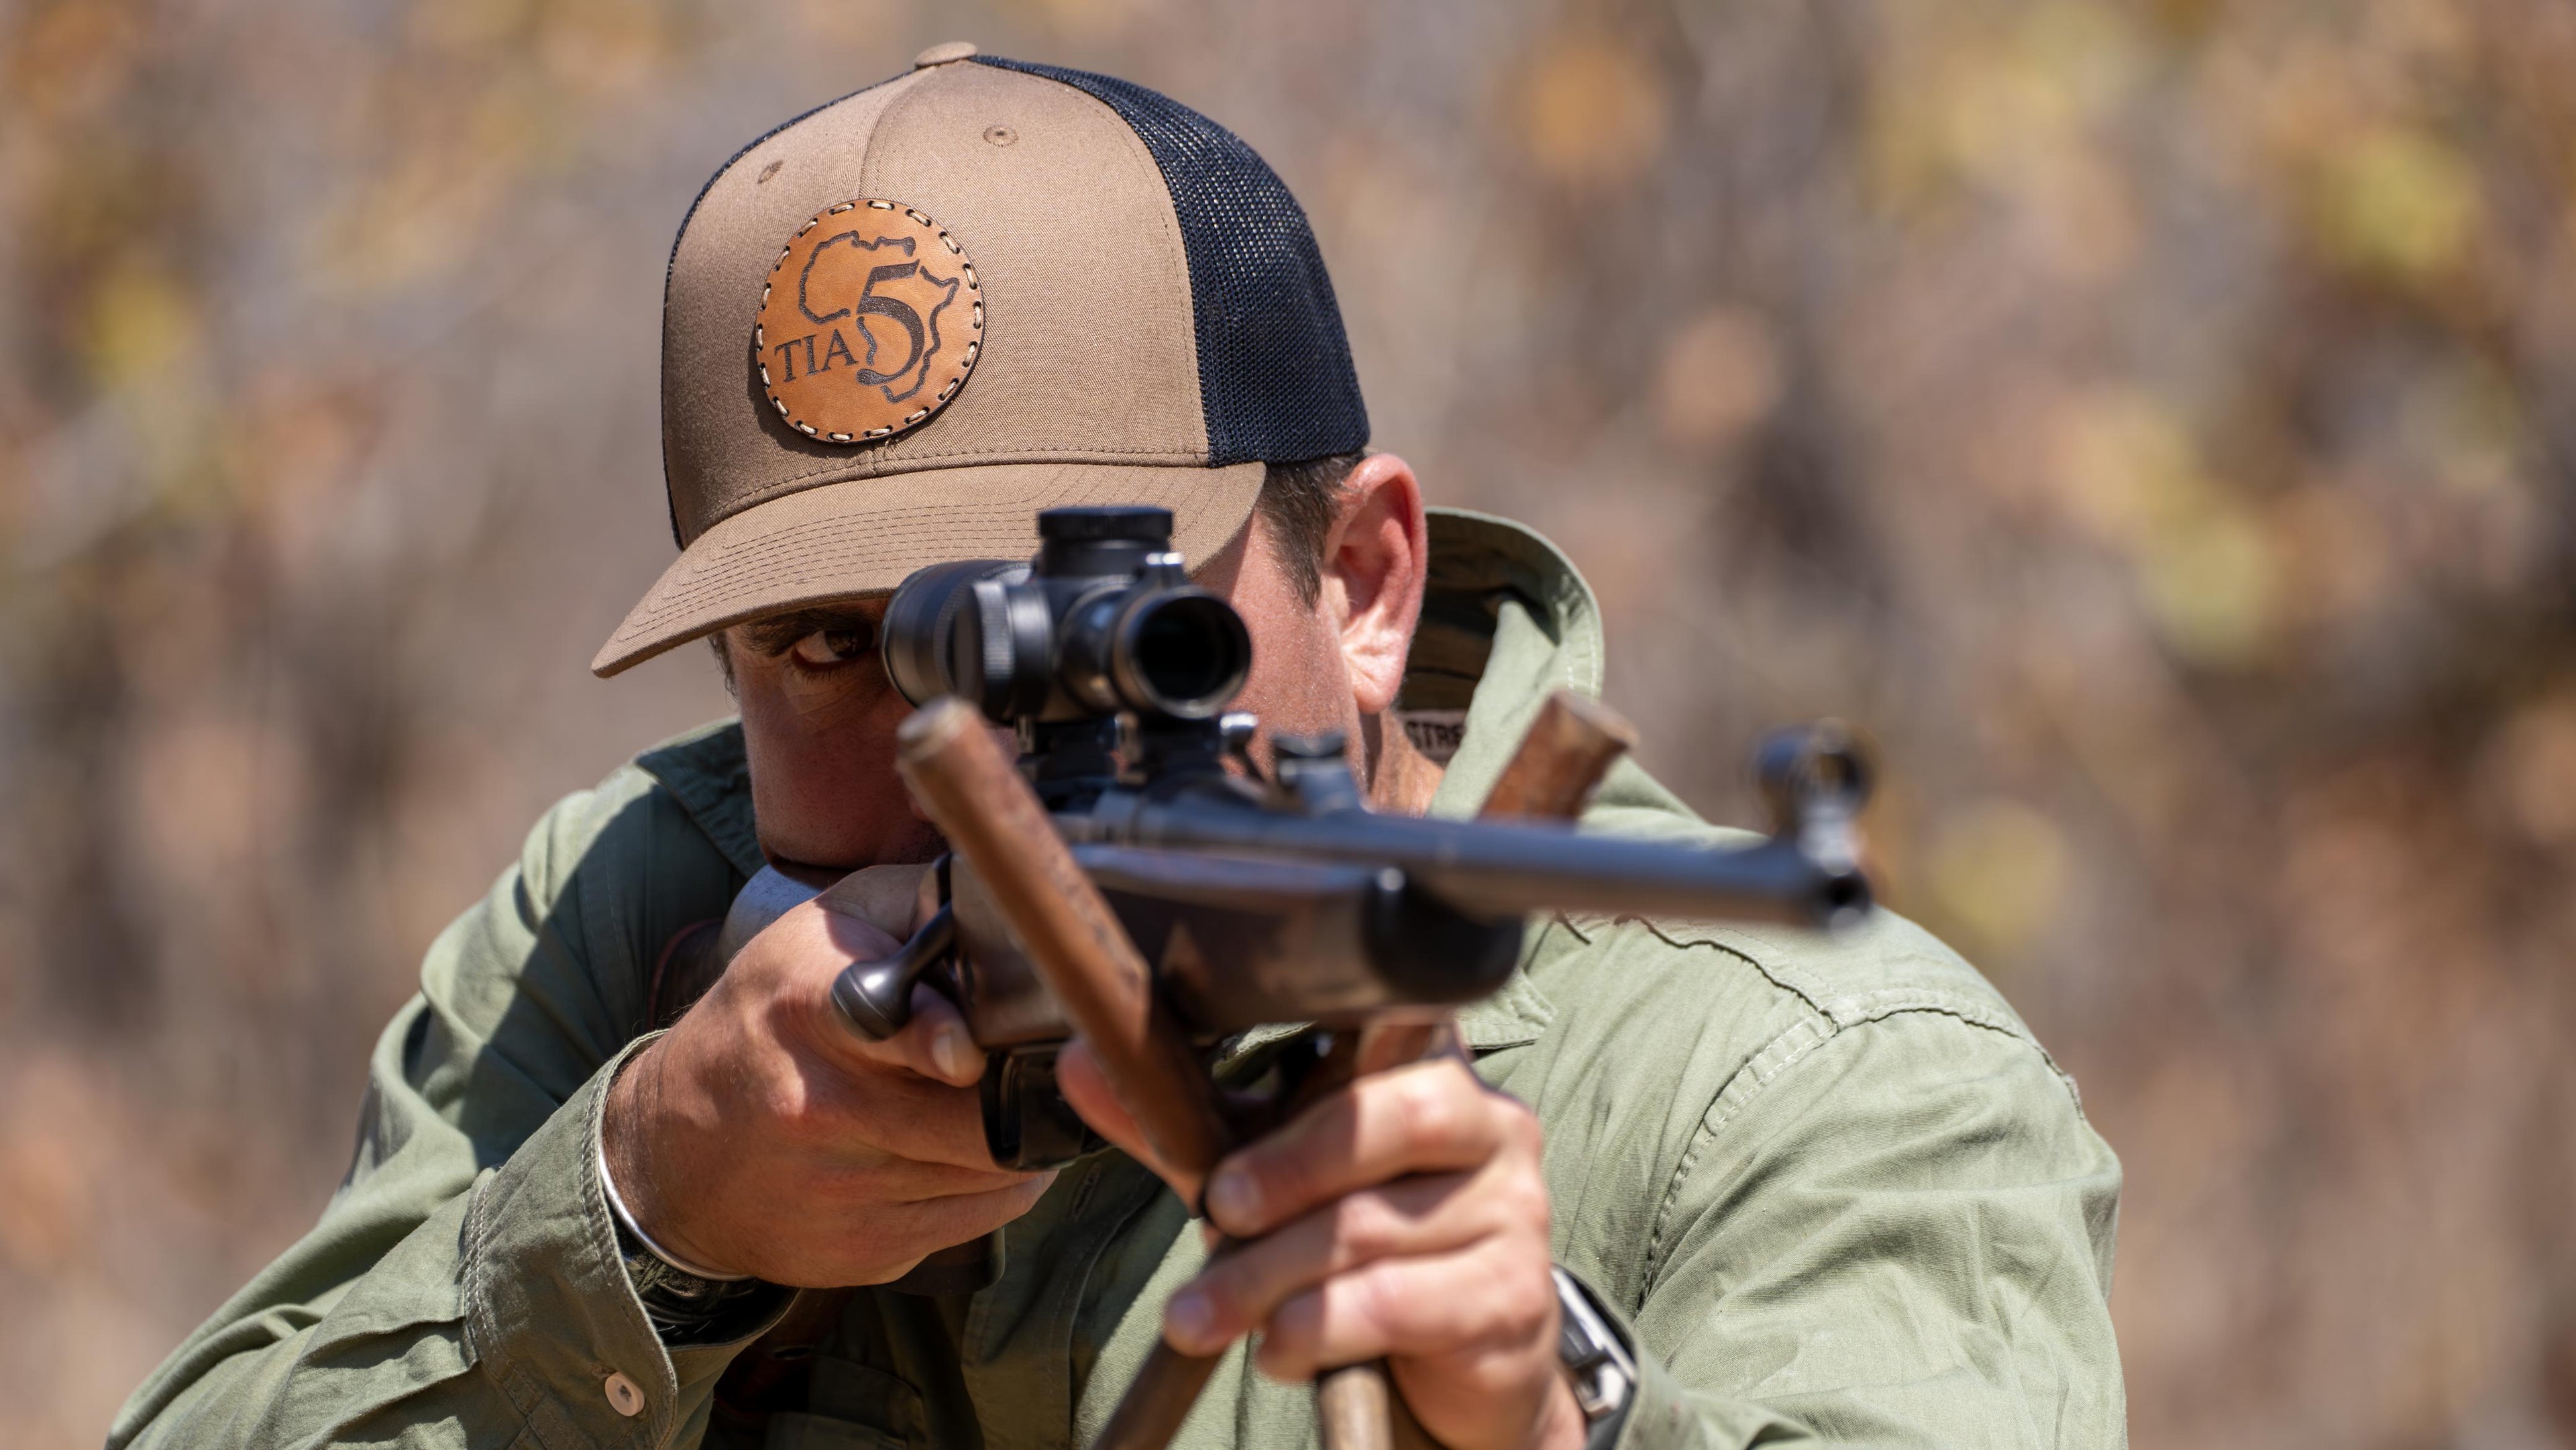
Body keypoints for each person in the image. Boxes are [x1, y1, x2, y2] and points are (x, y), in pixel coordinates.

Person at [111, 46, 2125, 1450]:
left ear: (1366, 579)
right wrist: (638, 1218)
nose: (965, 752)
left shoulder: (1815, 1085)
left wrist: (1550, 1417)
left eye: (1109, 641)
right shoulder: (643, 918)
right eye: (828, 649)